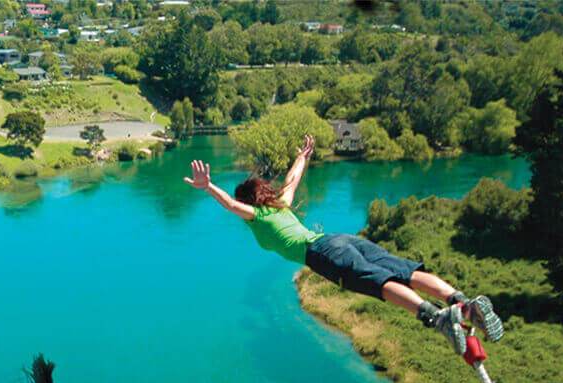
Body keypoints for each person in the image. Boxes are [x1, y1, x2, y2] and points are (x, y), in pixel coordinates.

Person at [184, 135, 503, 354]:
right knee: (404, 271)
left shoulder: (255, 215)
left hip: (322, 252)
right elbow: (293, 180)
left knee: (378, 282)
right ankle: (460, 301)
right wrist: (302, 156)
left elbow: (230, 205)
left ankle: (435, 317)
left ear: (249, 202)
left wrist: (209, 186)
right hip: (341, 238)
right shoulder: (279, 203)